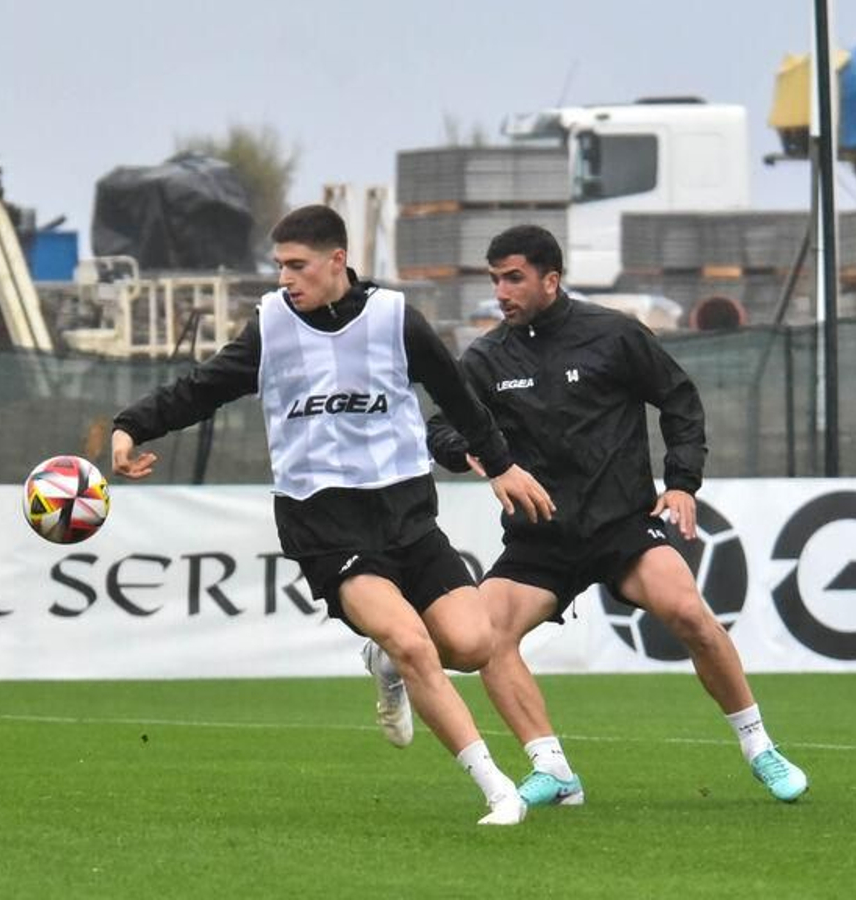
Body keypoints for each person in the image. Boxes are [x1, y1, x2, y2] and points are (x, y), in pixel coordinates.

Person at [110, 205, 554, 826]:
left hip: (405, 510)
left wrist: (501, 464)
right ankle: (498, 788)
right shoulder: (270, 326)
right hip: (323, 520)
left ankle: (385, 663)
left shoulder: (396, 318)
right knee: (412, 640)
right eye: (280, 266)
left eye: (298, 265)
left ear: (337, 261)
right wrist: (132, 424)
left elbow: (458, 397)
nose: (286, 278)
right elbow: (201, 387)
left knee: (472, 642)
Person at [367, 224, 807, 808]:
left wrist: (681, 484)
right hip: (540, 537)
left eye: (514, 278)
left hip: (621, 525)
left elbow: (678, 399)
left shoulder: (614, 334)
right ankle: (552, 767)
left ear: (552, 279)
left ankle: (760, 747)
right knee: (484, 642)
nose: (501, 290)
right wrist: (465, 451)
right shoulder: (486, 358)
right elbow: (442, 428)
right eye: (495, 278)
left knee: (689, 613)